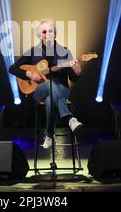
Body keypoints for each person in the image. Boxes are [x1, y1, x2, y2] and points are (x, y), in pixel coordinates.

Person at [9, 19, 83, 149]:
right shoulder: (33, 51)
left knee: (51, 98)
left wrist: (77, 72)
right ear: (40, 35)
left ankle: (49, 135)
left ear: (55, 34)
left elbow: (72, 79)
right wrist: (29, 74)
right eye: (44, 31)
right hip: (39, 90)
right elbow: (12, 68)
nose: (47, 34)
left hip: (62, 90)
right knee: (50, 85)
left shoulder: (64, 51)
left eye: (50, 31)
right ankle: (70, 119)